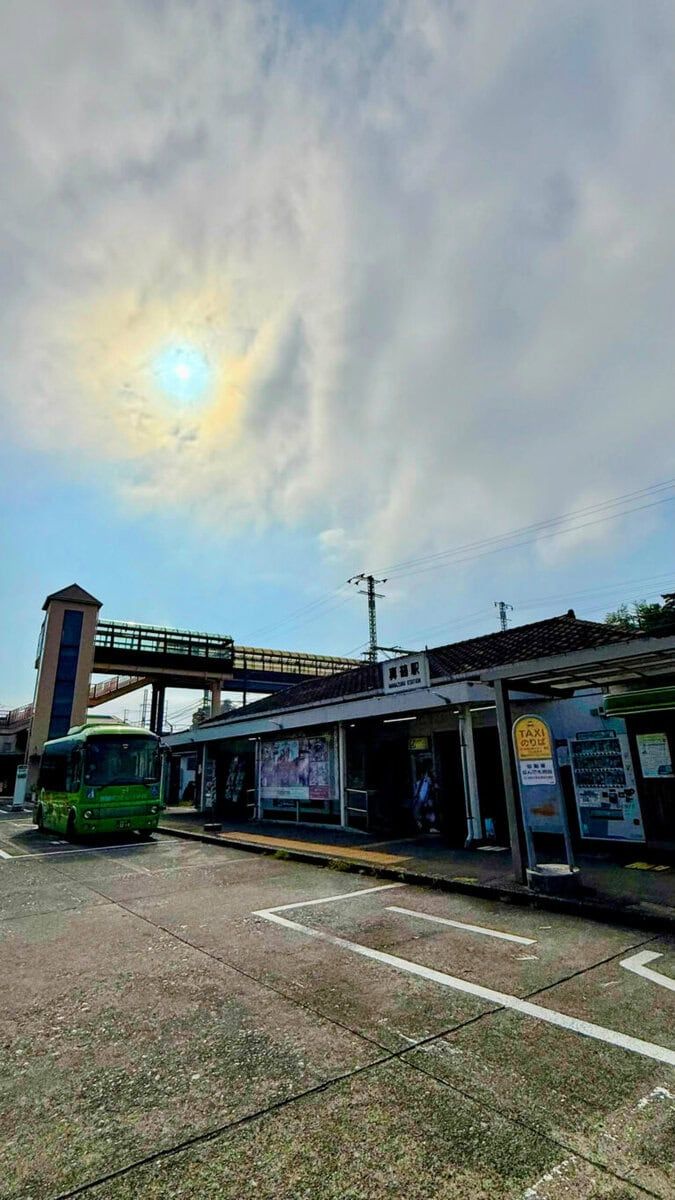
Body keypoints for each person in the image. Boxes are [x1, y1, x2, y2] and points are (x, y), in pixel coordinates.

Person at [413, 768, 439, 834]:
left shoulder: (428, 782)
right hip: (422, 800)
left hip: (425, 800)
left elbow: (434, 789)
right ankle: (423, 825)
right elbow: (418, 793)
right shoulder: (421, 782)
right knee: (421, 813)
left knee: (429, 813)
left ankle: (429, 826)